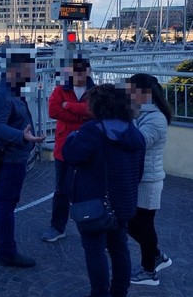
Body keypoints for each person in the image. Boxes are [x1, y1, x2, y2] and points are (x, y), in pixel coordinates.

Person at [63, 84, 146, 297]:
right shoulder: (134, 132)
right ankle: (120, 292)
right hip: (123, 202)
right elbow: (139, 171)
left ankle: (99, 293)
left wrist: (72, 137)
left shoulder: (92, 130)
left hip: (94, 203)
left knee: (95, 250)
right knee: (119, 248)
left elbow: (72, 156)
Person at [0, 49, 45, 267]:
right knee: (6, 204)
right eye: (29, 69)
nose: (32, 74)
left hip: (10, 156)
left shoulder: (11, 89)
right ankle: (7, 251)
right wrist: (23, 136)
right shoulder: (3, 93)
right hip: (10, 158)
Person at [41, 54, 95, 242]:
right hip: (64, 149)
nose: (79, 74)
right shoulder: (59, 90)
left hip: (89, 149)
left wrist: (69, 107)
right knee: (61, 190)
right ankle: (57, 227)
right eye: (75, 70)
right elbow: (53, 111)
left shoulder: (96, 91)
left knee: (91, 190)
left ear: (88, 71)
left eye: (82, 70)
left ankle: (93, 228)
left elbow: (95, 111)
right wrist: (81, 115)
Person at [125, 73, 173, 286]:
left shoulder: (155, 118)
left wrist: (125, 120)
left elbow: (137, 142)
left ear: (144, 93)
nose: (128, 94)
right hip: (141, 178)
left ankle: (149, 271)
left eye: (131, 90)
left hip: (148, 181)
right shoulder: (143, 113)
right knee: (139, 224)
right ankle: (155, 258)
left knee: (140, 225)